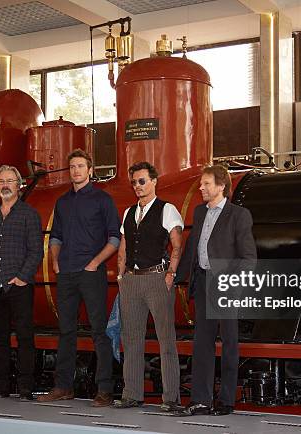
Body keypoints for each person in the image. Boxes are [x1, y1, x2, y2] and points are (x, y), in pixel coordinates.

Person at [40, 149, 120, 407]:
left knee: (99, 332)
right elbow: (56, 236)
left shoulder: (102, 199)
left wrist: (95, 263)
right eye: (72, 166)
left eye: (80, 166)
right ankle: (64, 387)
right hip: (66, 275)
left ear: (90, 170)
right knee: (66, 332)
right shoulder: (62, 202)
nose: (76, 170)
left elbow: (115, 238)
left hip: (91, 274)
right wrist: (55, 260)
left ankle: (105, 390)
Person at [176, 165, 256, 416]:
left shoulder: (238, 215)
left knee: (230, 343)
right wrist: (174, 276)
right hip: (203, 283)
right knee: (202, 344)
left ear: (221, 186)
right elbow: (193, 248)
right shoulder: (200, 212)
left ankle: (227, 400)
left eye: (206, 184)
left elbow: (248, 257)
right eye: (201, 184)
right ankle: (201, 400)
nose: (201, 188)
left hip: (225, 284)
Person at [112, 162, 184, 412]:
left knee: (166, 339)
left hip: (157, 278)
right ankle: (131, 394)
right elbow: (123, 244)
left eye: (142, 181)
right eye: (134, 182)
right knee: (130, 339)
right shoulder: (128, 212)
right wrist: (120, 276)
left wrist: (171, 273)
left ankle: (171, 398)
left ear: (154, 181)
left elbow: (177, 244)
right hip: (131, 281)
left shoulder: (168, 209)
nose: (137, 186)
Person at [0, 164, 43, 401]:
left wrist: (23, 277)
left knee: (25, 338)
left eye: (10, 181)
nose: (5, 185)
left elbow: (36, 250)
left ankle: (25, 388)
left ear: (19, 185)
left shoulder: (29, 215)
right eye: (1, 181)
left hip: (20, 286)